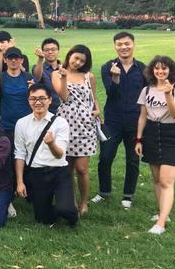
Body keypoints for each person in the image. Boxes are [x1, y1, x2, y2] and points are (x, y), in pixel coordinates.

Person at [93, 32, 146, 208]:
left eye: (127, 43)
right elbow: (111, 93)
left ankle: (128, 195)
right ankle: (104, 191)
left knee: (132, 159)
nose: (123, 47)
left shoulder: (143, 69)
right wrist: (115, 76)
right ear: (115, 46)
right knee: (106, 157)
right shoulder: (107, 67)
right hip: (113, 120)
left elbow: (148, 95)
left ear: (133, 44)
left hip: (134, 120)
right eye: (119, 44)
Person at [14, 85, 77, 227]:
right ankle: (50, 209)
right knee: (42, 219)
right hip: (37, 173)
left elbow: (59, 154)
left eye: (42, 98)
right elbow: (20, 153)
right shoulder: (22, 123)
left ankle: (71, 212)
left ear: (50, 100)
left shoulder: (60, 123)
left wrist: (51, 144)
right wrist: (20, 182)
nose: (37, 102)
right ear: (29, 101)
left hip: (59, 171)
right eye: (33, 99)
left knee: (65, 210)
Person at [52, 45, 100, 215]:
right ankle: (70, 200)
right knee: (67, 168)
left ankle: (84, 202)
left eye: (82, 61)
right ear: (70, 55)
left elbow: (93, 98)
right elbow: (63, 97)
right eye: (76, 58)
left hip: (85, 125)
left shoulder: (89, 76)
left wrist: (97, 110)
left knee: (82, 168)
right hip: (65, 124)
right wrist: (64, 78)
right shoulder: (57, 73)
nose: (78, 62)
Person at [134, 55, 175, 235]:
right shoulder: (146, 90)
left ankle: (160, 223)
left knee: (166, 181)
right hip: (152, 134)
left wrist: (168, 94)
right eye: (157, 68)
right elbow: (143, 116)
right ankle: (163, 213)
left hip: (173, 134)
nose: (160, 72)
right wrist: (138, 139)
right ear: (152, 70)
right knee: (156, 179)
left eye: (165, 68)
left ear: (171, 70)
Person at [0, 47, 34, 140]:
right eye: (10, 58)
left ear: (21, 60)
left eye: (16, 58)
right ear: (5, 60)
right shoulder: (0, 78)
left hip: (26, 124)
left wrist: (32, 90)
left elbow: (36, 99)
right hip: (6, 126)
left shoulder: (28, 77)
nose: (13, 60)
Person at [32, 38, 61, 113]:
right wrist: (40, 59)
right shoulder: (38, 67)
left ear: (58, 51)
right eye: (47, 50)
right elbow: (37, 76)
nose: (50, 52)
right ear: (43, 52)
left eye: (53, 49)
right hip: (48, 110)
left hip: (66, 109)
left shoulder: (65, 68)